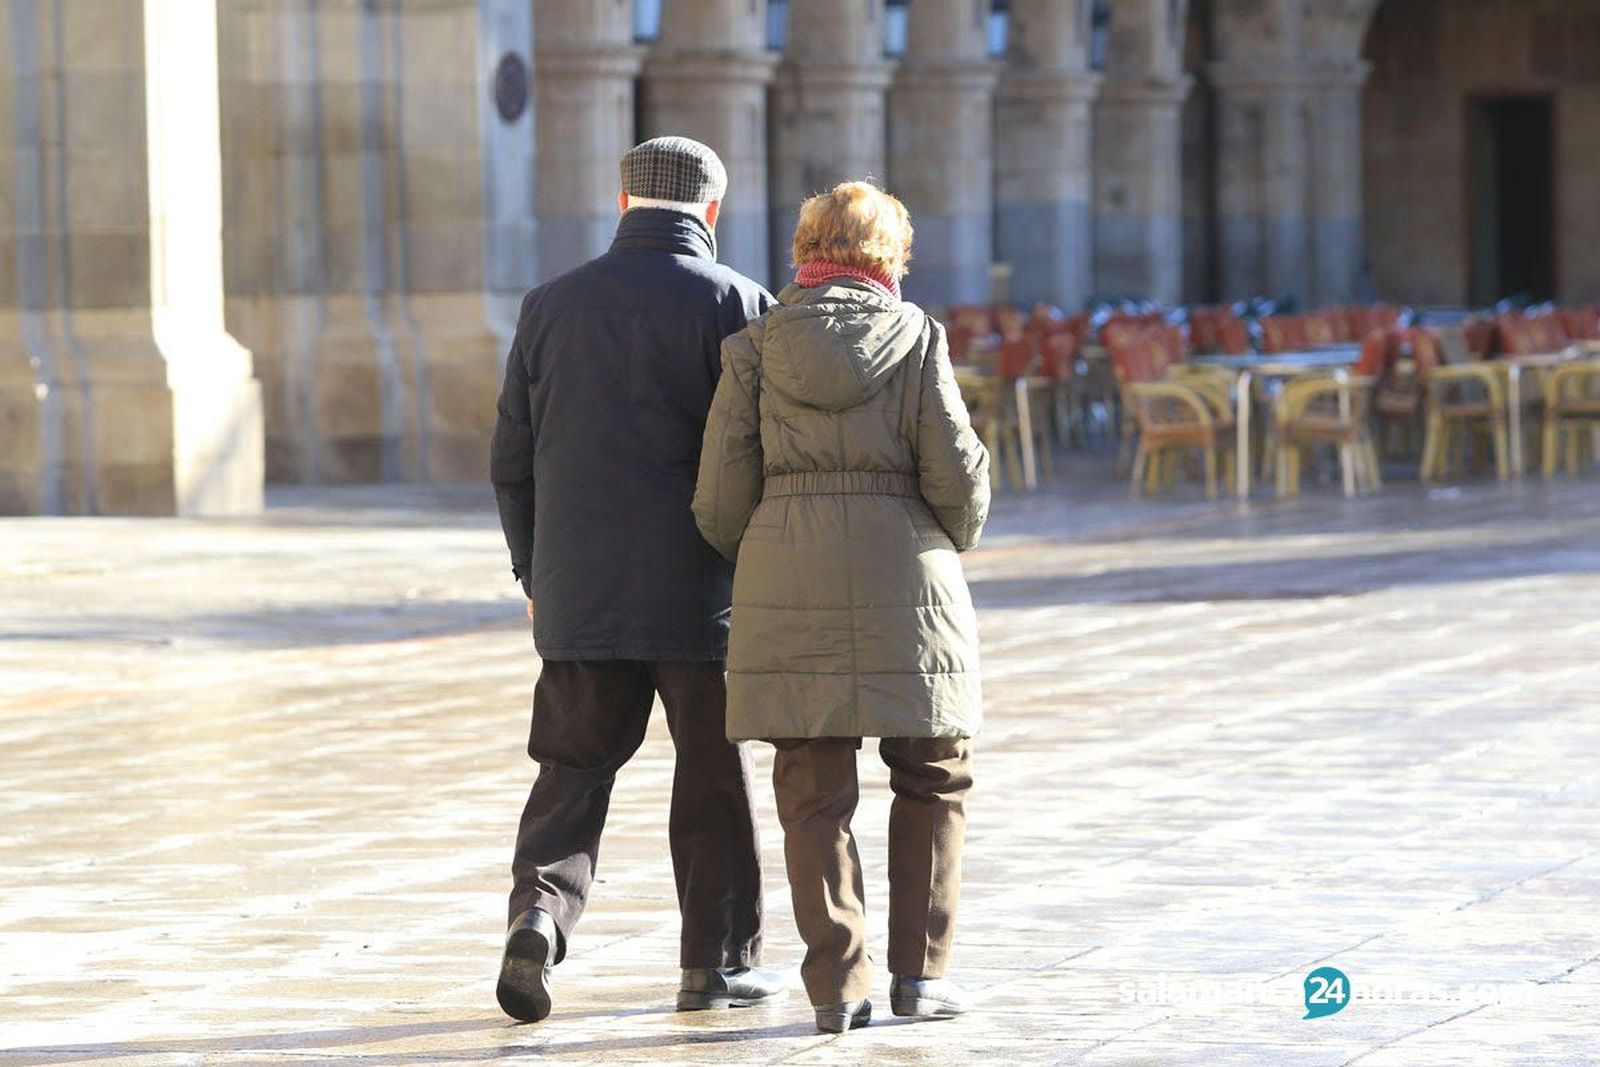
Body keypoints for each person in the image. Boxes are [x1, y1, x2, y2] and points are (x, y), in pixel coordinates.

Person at [490, 136, 787, 1023]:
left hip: (578, 586)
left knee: (570, 769)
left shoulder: (549, 306)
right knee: (712, 772)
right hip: (705, 593)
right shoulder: (739, 303)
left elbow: (511, 460)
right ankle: (717, 963)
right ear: (714, 212)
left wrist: (534, 569)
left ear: (622, 203)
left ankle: (540, 914)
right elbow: (764, 455)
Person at [692, 181, 990, 1034]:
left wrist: (772, 546)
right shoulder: (919, 336)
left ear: (805, 252)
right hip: (911, 578)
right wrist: (946, 532)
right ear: (888, 257)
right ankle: (922, 977)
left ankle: (836, 985)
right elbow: (958, 478)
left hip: (790, 576)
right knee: (935, 771)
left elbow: (718, 496)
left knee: (812, 789)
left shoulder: (752, 348)